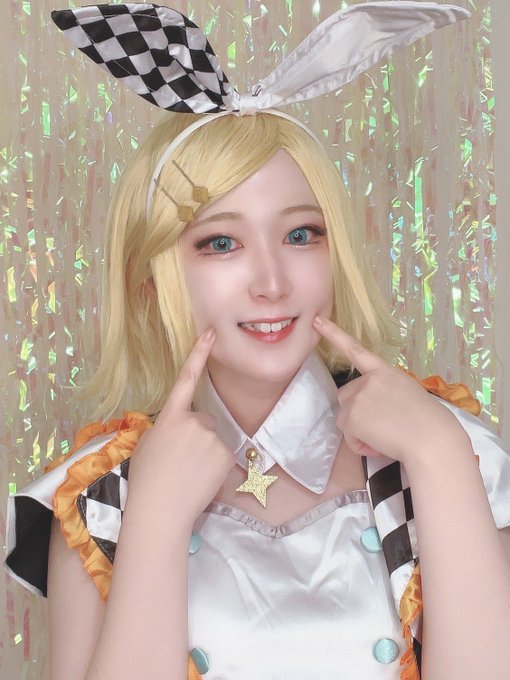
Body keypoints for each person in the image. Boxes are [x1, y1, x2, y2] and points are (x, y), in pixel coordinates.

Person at [5, 3, 510, 680]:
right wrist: (154, 519)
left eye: (301, 235)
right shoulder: (102, 496)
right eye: (221, 243)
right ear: (150, 281)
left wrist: (439, 455)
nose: (272, 283)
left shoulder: (448, 447)